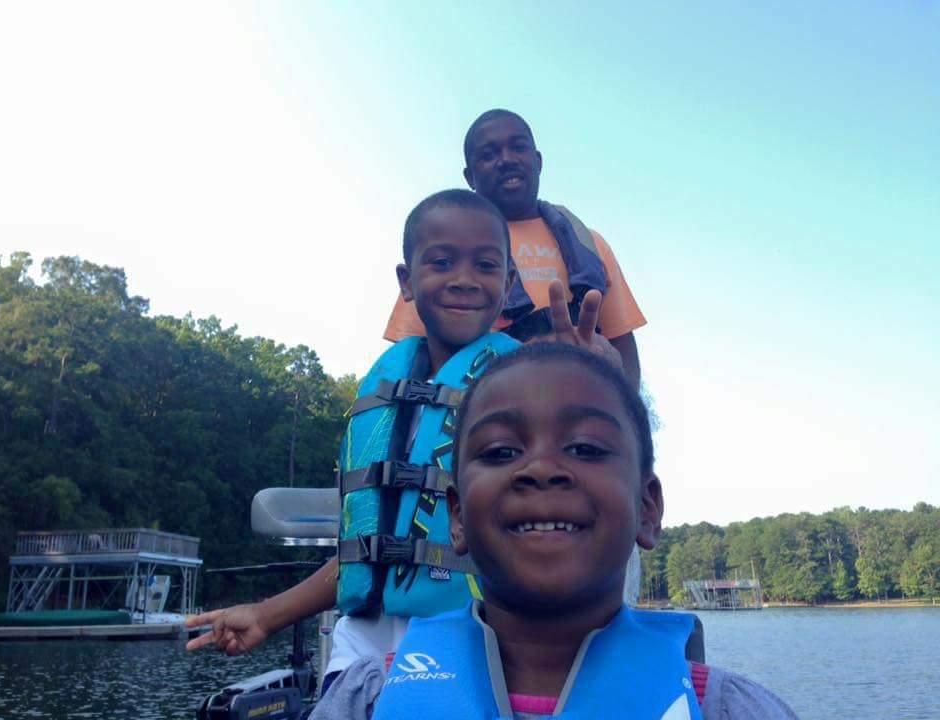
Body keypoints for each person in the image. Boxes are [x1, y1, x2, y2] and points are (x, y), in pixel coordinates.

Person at [185, 190, 621, 686]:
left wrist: (592, 383)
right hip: (359, 646)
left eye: (485, 264)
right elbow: (373, 548)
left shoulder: (527, 381)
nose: (463, 279)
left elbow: (594, 484)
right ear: (407, 282)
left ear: (508, 284)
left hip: (479, 641)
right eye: (441, 262)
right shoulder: (385, 383)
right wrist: (267, 615)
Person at [315, 344, 800, 720]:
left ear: (648, 509)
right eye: (502, 451)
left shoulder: (728, 708)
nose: (542, 468)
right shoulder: (367, 702)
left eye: (586, 448)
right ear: (457, 517)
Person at [384, 109, 646, 388]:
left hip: (577, 403)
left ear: (538, 161)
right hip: (478, 411)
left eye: (518, 148)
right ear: (470, 177)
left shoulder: (590, 244)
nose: (506, 160)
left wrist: (625, 409)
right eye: (488, 154)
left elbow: (622, 342)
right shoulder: (443, 247)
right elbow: (408, 352)